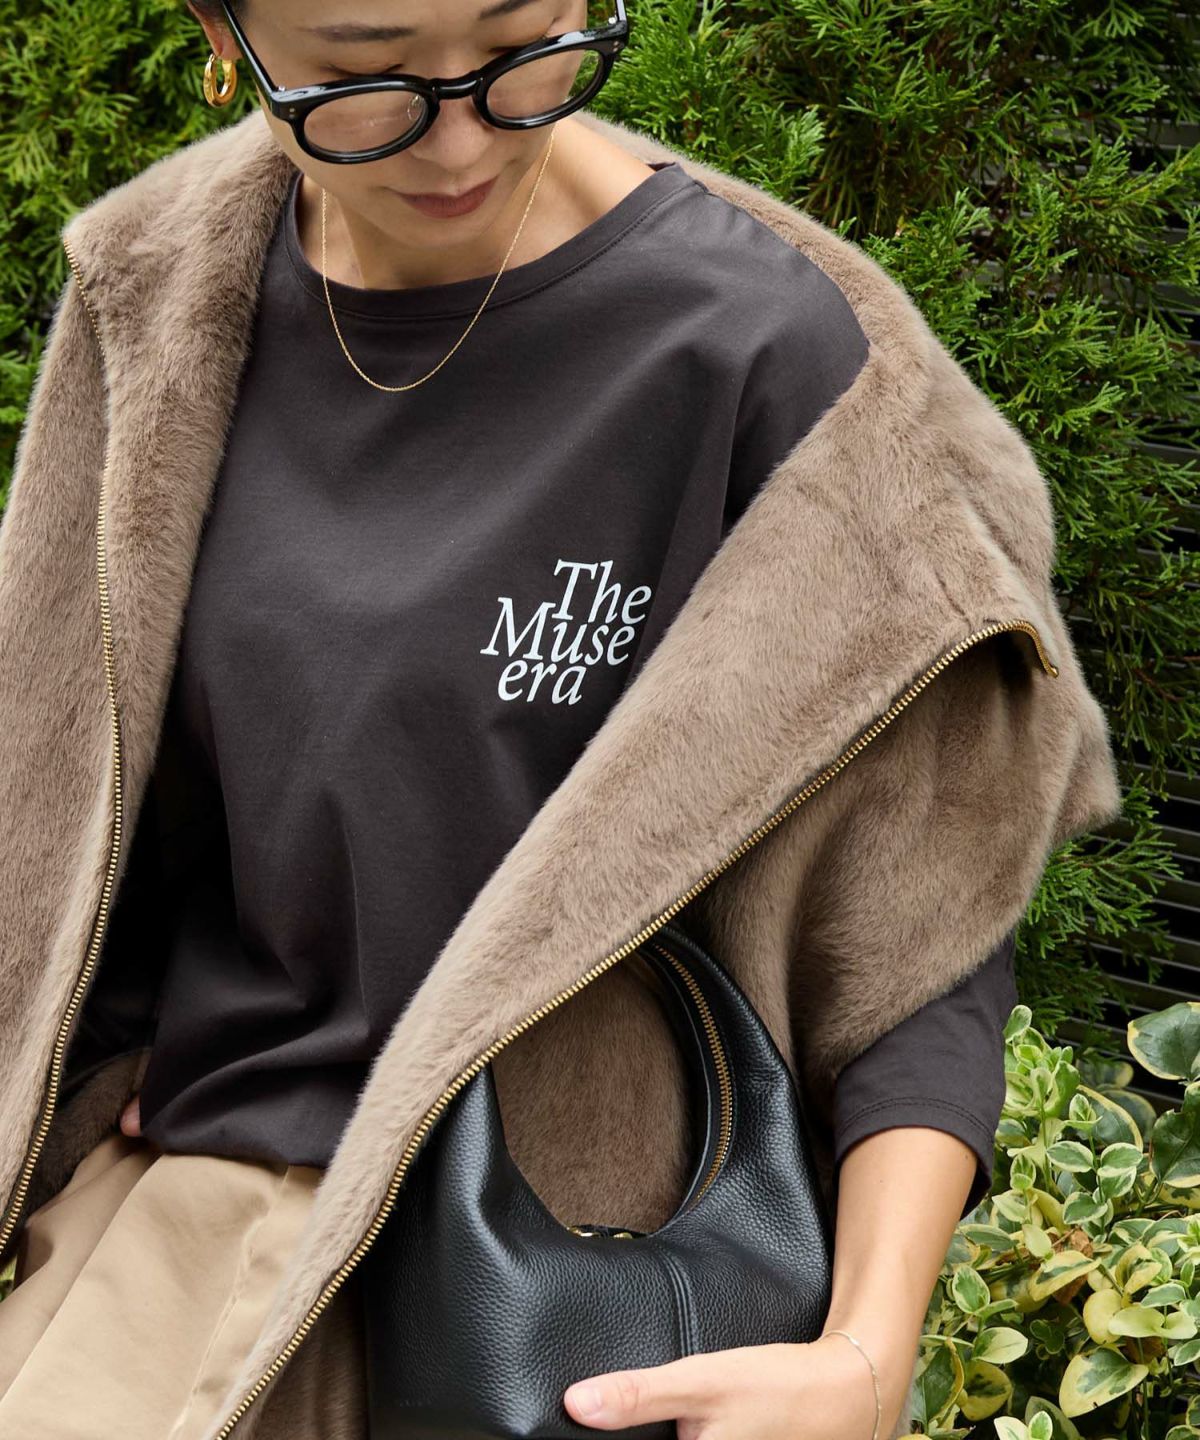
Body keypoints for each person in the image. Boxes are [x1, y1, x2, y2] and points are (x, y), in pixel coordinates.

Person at [0, 2, 1122, 1438]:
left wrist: (865, 1352)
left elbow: (921, 911)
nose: (464, 139)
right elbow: (65, 812)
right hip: (191, 1227)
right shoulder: (160, 296)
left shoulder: (763, 352)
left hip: (565, 1285)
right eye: (367, 76)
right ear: (223, 28)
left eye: (523, 44)